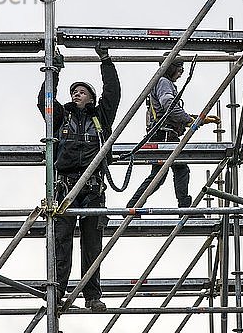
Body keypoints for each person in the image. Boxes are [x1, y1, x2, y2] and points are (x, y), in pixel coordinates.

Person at [37, 43, 121, 311]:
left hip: (93, 190)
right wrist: (54, 72)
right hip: (65, 190)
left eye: (82, 92)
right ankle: (57, 290)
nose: (76, 94)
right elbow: (44, 101)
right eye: (74, 91)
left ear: (91, 98)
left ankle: (92, 296)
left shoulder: (101, 118)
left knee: (92, 246)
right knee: (61, 242)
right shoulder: (60, 117)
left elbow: (113, 93)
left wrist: (105, 60)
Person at [126, 55, 219, 211]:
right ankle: (184, 208)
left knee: (159, 175)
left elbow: (171, 113)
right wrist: (190, 121)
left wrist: (202, 119)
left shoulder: (161, 82)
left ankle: (134, 205)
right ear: (171, 68)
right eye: (180, 68)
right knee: (180, 169)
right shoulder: (164, 82)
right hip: (165, 135)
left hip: (161, 134)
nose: (182, 72)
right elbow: (169, 107)